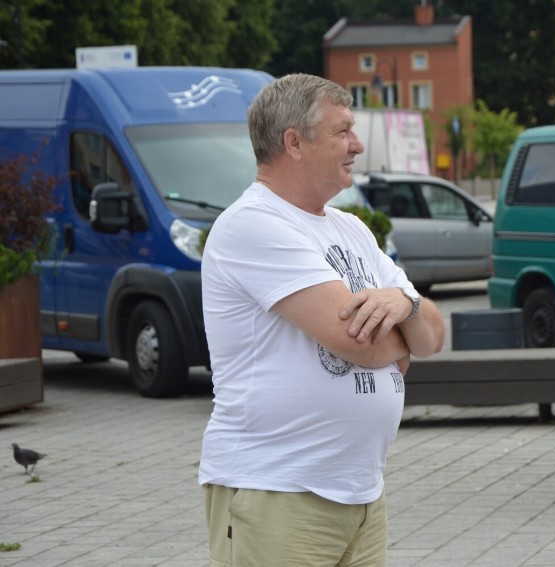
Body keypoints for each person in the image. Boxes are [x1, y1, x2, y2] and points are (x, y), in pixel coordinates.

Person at [198, 73, 445, 567]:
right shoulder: (253, 224)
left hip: (359, 493)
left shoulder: (349, 227)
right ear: (294, 142)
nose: (356, 145)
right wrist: (405, 328)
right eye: (343, 131)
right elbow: (354, 341)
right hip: (279, 491)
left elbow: (436, 334)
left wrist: (406, 306)